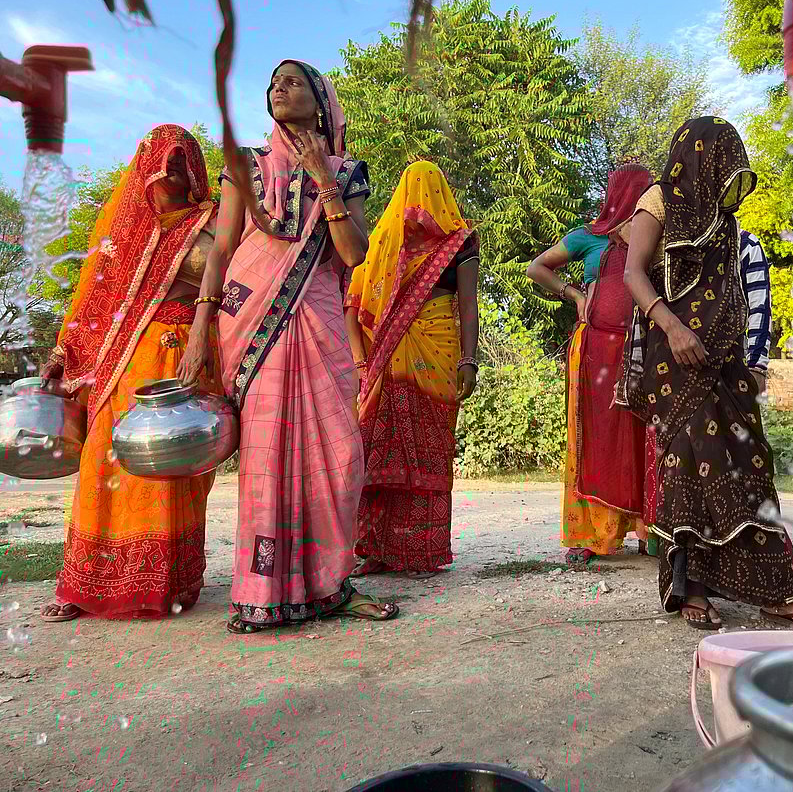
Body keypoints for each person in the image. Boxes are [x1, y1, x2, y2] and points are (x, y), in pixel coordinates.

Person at [179, 60, 398, 633]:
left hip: (321, 323)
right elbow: (221, 250)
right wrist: (200, 328)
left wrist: (324, 176)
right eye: (273, 81)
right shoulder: (246, 166)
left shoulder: (348, 171)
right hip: (253, 320)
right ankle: (262, 591)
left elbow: (352, 253)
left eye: (293, 81)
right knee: (268, 454)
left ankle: (330, 585)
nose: (278, 87)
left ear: (322, 100)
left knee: (339, 455)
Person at [619, 116, 793, 631]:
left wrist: (750, 361)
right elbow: (633, 273)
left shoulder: (727, 225)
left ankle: (773, 591)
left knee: (748, 465)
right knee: (692, 465)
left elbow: (740, 295)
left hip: (727, 364)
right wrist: (672, 326)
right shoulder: (657, 202)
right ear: (697, 159)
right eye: (722, 165)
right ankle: (691, 586)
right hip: (677, 360)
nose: (730, 179)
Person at [38, 125, 219, 621]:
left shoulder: (215, 221)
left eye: (183, 162)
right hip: (123, 363)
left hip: (183, 357)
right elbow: (96, 301)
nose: (173, 173)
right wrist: (65, 351)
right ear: (146, 168)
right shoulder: (126, 232)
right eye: (165, 162)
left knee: (168, 470)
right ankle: (86, 584)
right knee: (105, 462)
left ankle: (163, 581)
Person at [344, 160, 480, 578]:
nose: (421, 203)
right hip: (384, 361)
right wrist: (360, 362)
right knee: (375, 448)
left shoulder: (460, 243)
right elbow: (354, 303)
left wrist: (469, 361)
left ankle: (420, 550)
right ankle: (375, 550)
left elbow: (468, 305)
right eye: (414, 192)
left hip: (436, 354)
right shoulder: (386, 242)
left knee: (430, 447)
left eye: (429, 191)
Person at [527, 163, 654, 567]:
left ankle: (651, 532)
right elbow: (537, 267)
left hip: (643, 349)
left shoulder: (657, 238)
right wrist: (574, 295)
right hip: (595, 349)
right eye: (642, 192)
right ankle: (591, 534)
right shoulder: (589, 238)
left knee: (642, 435)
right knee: (594, 438)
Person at [739, 228, 772, 394]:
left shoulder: (745, 243)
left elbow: (759, 307)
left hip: (732, 366)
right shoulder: (661, 240)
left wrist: (757, 367)